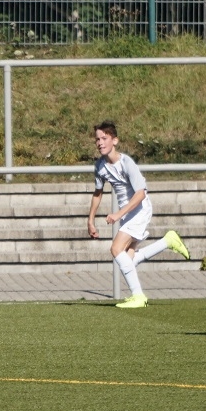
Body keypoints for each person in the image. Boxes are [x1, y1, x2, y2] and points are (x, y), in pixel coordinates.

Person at [87, 120, 191, 309]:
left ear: (115, 140)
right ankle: (168, 241)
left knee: (116, 249)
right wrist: (90, 220)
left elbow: (141, 193)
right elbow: (97, 193)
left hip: (140, 210)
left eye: (104, 138)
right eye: (97, 139)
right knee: (129, 259)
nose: (100, 143)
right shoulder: (100, 166)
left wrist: (118, 214)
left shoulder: (127, 163)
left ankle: (138, 296)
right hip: (128, 214)